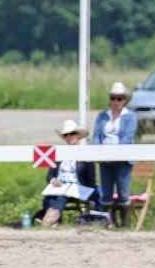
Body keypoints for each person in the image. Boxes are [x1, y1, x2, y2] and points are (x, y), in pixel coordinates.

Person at [93, 81, 138, 227]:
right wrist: (97, 151)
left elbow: (128, 137)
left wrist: (114, 151)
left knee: (123, 192)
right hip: (105, 160)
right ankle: (108, 223)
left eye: (119, 98)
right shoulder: (102, 116)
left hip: (122, 159)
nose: (116, 102)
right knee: (106, 193)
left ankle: (125, 225)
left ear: (125, 100)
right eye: (113, 98)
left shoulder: (130, 116)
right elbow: (97, 136)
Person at [37, 120, 98, 227]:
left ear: (78, 135)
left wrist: (89, 192)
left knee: (60, 197)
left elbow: (91, 180)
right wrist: (54, 181)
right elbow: (50, 175)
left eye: (72, 133)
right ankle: (53, 220)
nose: (69, 137)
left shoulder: (85, 155)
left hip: (77, 188)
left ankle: (50, 219)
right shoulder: (59, 154)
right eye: (66, 135)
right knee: (49, 197)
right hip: (59, 187)